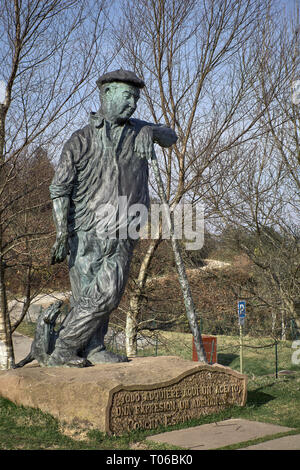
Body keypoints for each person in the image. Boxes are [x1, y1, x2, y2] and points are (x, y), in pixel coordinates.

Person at [48, 69, 177, 367]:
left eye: (136, 98)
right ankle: (91, 348)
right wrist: (61, 233)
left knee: (108, 292)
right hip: (85, 230)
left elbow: (171, 136)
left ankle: (64, 348)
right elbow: (60, 187)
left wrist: (151, 131)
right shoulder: (80, 139)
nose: (132, 104)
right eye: (127, 96)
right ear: (106, 94)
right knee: (86, 297)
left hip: (124, 228)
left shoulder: (138, 129)